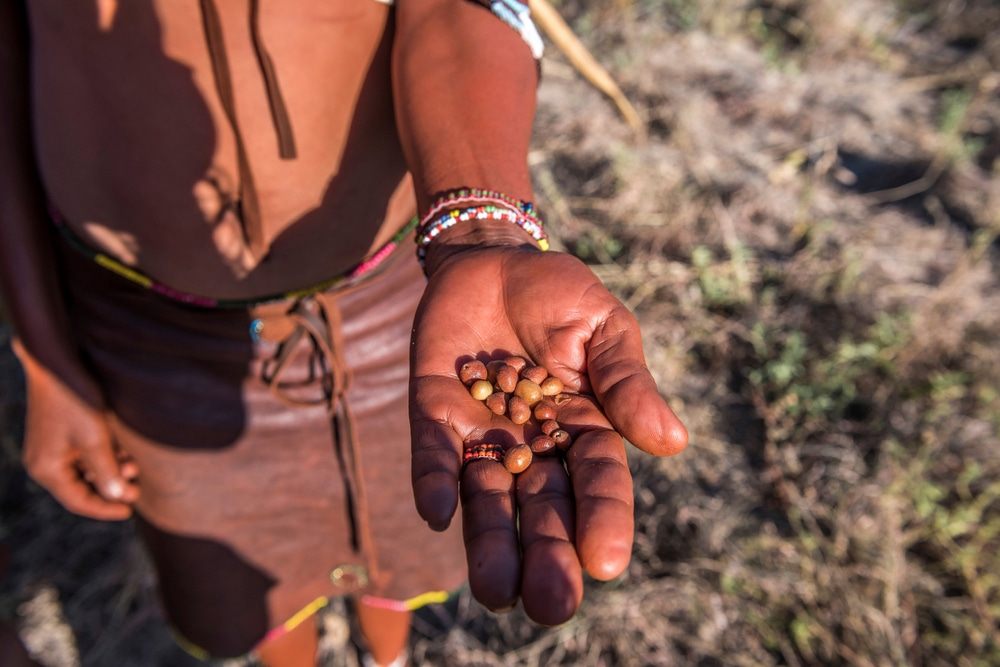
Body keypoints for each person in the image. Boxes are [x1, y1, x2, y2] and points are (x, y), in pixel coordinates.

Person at [0, 1, 688, 665]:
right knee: (256, 589)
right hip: (145, 331)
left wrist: (482, 231)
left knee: (411, 543)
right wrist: (45, 356)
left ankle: (385, 657)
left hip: (404, 308)